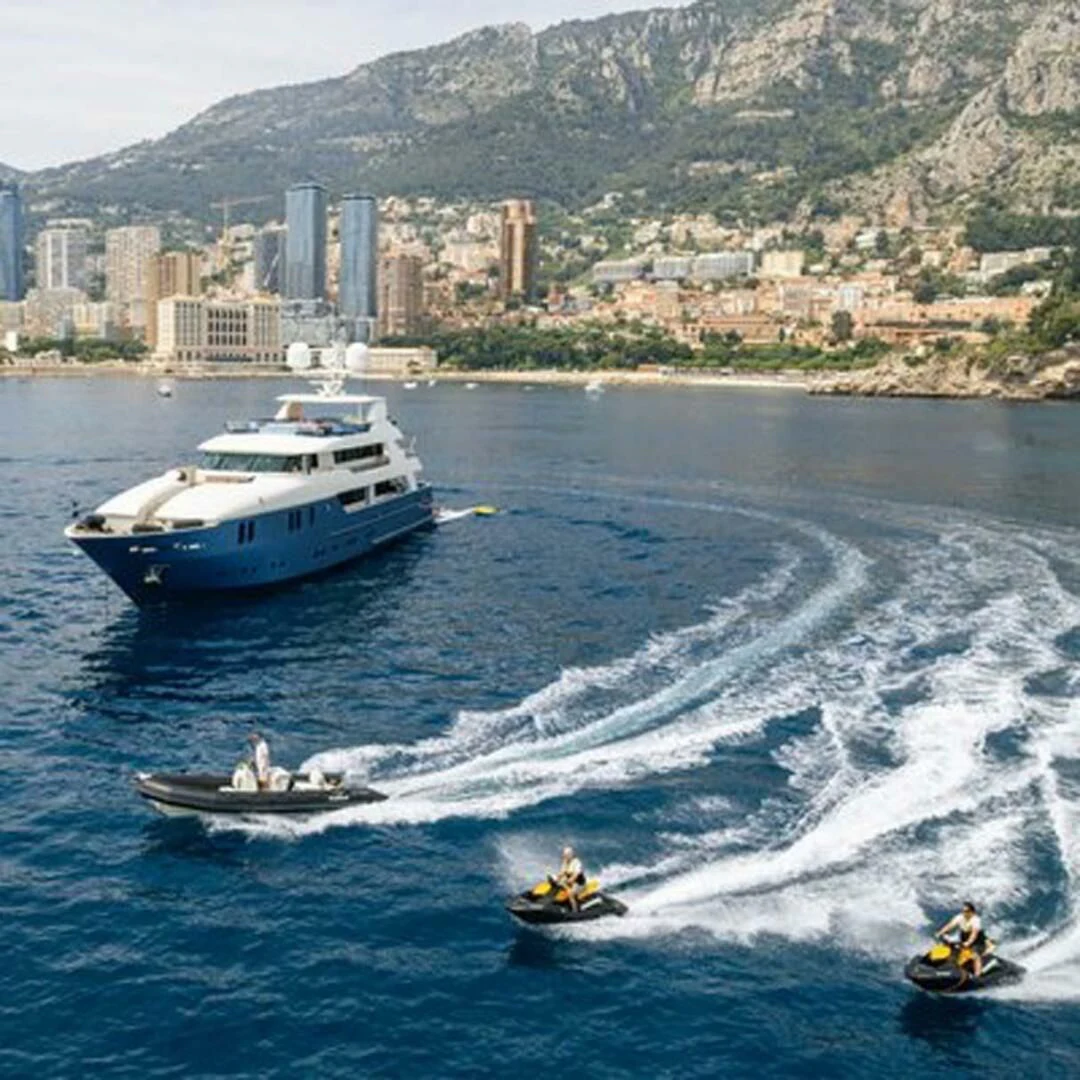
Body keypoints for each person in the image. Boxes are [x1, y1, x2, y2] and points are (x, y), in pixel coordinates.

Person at [937, 901, 989, 978]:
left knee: (975, 955)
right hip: (964, 940)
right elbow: (949, 926)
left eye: (967, 911)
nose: (965, 913)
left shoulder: (976, 920)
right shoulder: (959, 917)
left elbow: (974, 934)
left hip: (977, 942)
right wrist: (940, 933)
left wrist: (969, 942)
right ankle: (947, 968)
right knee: (949, 949)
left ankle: (978, 976)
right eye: (963, 911)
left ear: (972, 912)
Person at [553, 846, 586, 913]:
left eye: (566, 855)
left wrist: (570, 880)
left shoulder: (577, 863)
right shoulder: (565, 862)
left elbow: (576, 875)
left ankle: (575, 910)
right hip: (570, 882)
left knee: (570, 893)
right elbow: (562, 872)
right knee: (558, 888)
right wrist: (556, 878)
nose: (564, 856)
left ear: (571, 855)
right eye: (564, 855)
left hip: (579, 883)